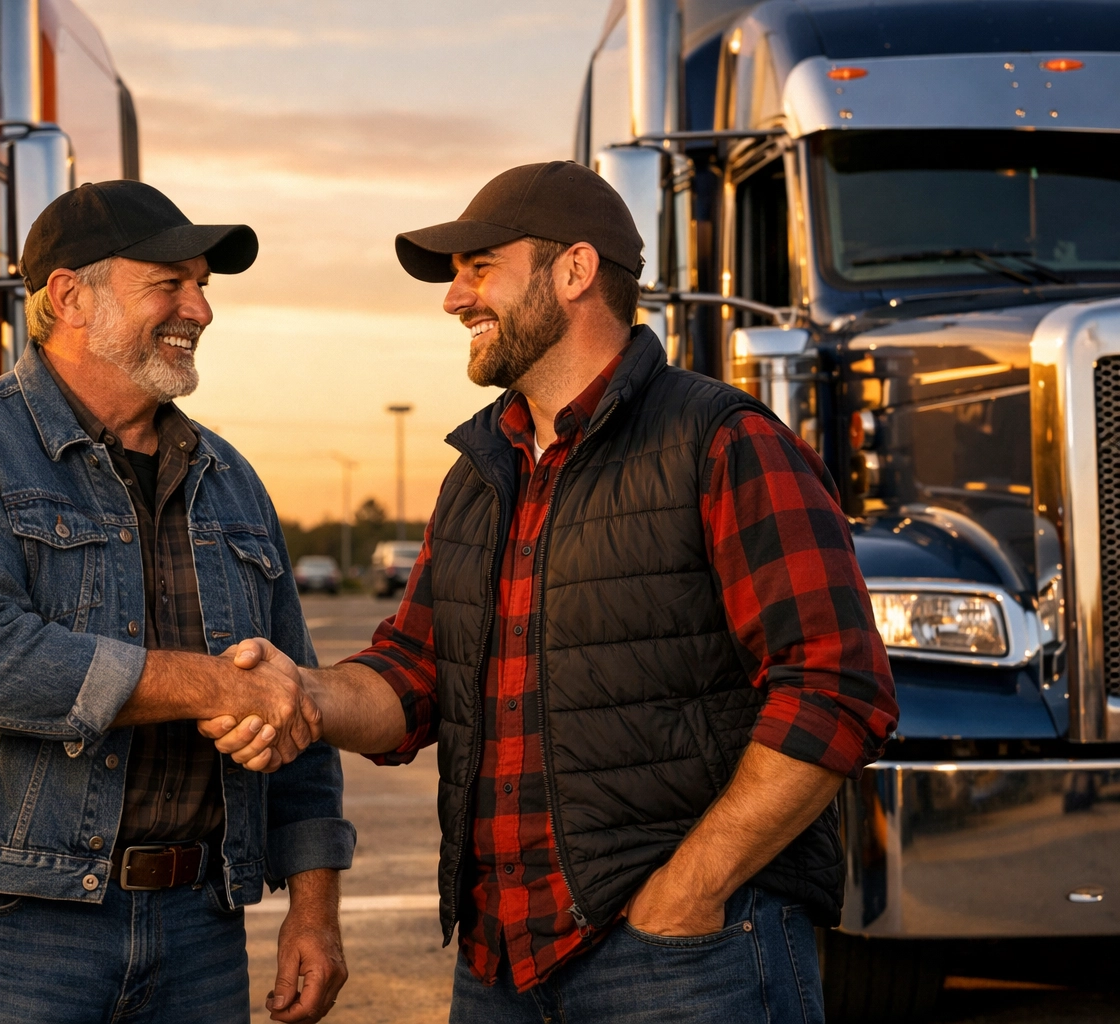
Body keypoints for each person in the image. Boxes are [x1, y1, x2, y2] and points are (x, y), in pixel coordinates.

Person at [206, 162, 899, 1023]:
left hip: (685, 963)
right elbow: (415, 674)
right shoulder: (479, 477)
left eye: (478, 267)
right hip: (499, 965)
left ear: (573, 272)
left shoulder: (723, 442)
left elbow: (836, 688)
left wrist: (687, 893)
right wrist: (297, 691)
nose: (454, 300)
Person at [0, 180, 352, 1024]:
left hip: (198, 933)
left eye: (202, 285)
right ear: (68, 297)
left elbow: (293, 709)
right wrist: (212, 686)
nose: (200, 309)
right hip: (0, 935)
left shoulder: (231, 482)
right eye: (169, 283)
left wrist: (314, 912)